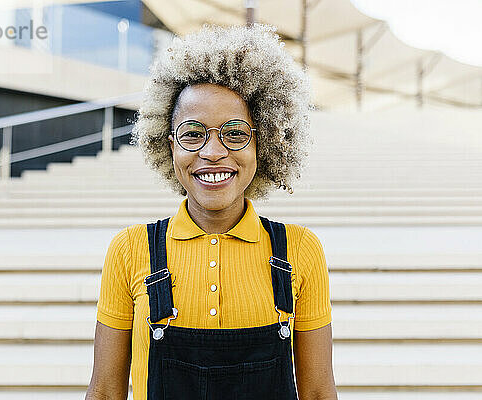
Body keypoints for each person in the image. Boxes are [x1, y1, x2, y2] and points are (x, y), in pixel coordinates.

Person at [86, 24, 337, 400]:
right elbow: (105, 392)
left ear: (263, 141)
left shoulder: (300, 250)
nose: (212, 152)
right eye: (192, 133)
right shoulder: (129, 249)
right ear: (170, 146)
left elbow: (318, 392)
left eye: (234, 133)